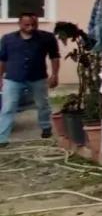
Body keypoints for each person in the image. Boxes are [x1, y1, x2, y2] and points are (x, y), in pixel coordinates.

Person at [0, 12, 61, 145]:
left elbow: (54, 57)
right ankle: (2, 138)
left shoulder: (47, 38)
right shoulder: (8, 39)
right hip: (13, 78)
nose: (31, 27)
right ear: (20, 24)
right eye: (27, 24)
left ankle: (46, 127)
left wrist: (55, 75)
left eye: (34, 24)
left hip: (37, 77)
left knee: (42, 104)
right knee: (8, 107)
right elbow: (2, 60)